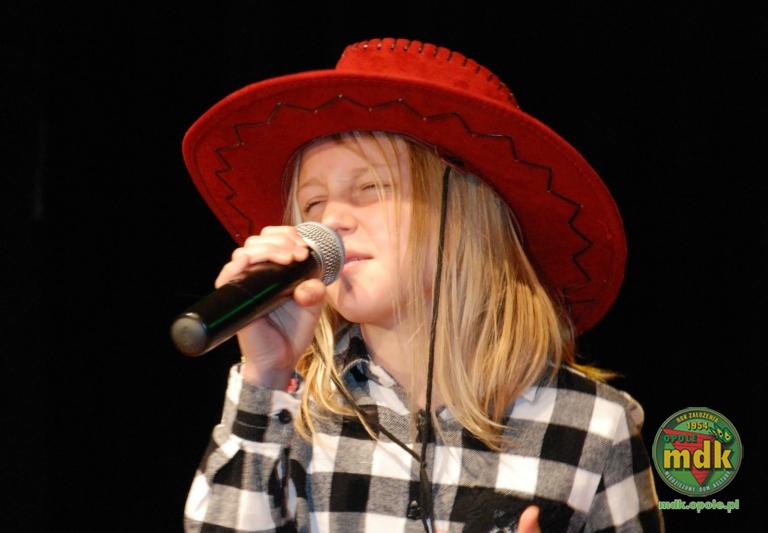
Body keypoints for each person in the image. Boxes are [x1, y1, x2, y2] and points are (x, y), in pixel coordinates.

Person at [180, 38, 664, 532]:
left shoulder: (593, 426)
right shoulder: (289, 411)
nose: (331, 222)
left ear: (466, 221)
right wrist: (264, 378)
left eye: (371, 188)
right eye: (313, 204)